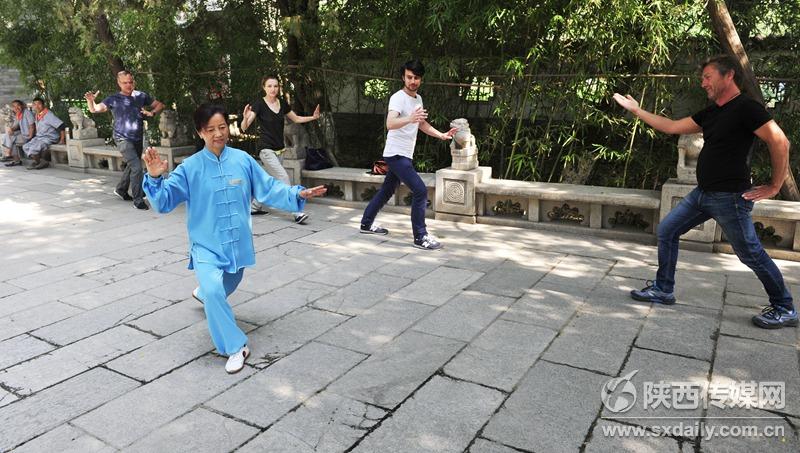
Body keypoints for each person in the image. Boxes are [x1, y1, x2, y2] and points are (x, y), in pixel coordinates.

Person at [613, 55, 796, 329]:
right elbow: (673, 127)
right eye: (703, 78)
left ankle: (785, 307)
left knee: (750, 253)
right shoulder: (711, 113)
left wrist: (775, 185)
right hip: (703, 194)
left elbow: (780, 141)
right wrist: (637, 111)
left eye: (708, 77)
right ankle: (663, 289)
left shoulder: (747, 108)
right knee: (667, 230)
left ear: (729, 75)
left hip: (731, 198)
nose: (703, 83)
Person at [142, 103, 326, 373]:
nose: (218, 134)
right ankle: (236, 345)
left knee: (218, 289)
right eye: (211, 130)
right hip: (206, 247)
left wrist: (296, 195)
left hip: (237, 249)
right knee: (216, 293)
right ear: (200, 133)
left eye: (222, 127)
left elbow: (268, 188)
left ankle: (204, 292)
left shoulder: (242, 160)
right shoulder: (190, 168)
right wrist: (155, 177)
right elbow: (163, 201)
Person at [359, 60, 457, 250]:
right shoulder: (398, 98)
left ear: (421, 79)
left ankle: (366, 223)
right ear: (403, 77)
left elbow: (421, 124)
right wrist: (410, 118)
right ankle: (420, 237)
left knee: (387, 190)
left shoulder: (417, 99)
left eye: (416, 78)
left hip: (404, 154)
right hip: (396, 154)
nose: (413, 81)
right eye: (409, 77)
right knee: (420, 191)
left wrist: (442, 135)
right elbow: (390, 123)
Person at [241, 75, 320, 224]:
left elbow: (296, 119)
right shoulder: (258, 104)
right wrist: (245, 118)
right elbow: (244, 128)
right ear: (264, 87)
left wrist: (313, 117)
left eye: (275, 86)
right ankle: (296, 212)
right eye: (269, 86)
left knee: (271, 181)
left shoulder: (282, 103)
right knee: (284, 178)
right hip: (266, 150)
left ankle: (254, 206)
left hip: (280, 150)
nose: (273, 89)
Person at [85, 70, 165, 210]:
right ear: (119, 83)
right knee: (137, 167)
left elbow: (160, 105)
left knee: (131, 165)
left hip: (138, 137)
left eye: (130, 82)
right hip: (122, 138)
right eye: (125, 83)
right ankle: (138, 200)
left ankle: (121, 190)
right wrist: (91, 101)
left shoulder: (141, 96)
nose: (128, 85)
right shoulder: (113, 99)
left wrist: (151, 113)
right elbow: (95, 109)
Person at [22, 98, 65, 170]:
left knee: (33, 149)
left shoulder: (48, 115)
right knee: (25, 147)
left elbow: (62, 126)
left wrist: (62, 140)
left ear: (43, 105)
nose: (37, 106)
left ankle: (42, 162)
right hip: (40, 137)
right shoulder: (37, 114)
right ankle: (38, 161)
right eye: (35, 104)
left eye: (39, 104)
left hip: (49, 138)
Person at [2, 100, 35, 167]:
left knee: (10, 138)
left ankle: (9, 154)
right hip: (23, 134)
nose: (16, 107)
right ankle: (13, 157)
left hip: (29, 136)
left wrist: (30, 137)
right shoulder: (19, 114)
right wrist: (12, 129)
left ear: (22, 106)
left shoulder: (27, 112)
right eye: (14, 106)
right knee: (9, 135)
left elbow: (32, 126)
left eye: (18, 105)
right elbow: (18, 126)